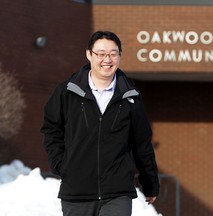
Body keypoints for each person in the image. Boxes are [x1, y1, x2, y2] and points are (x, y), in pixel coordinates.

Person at [40, 31, 160, 216]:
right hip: (76, 192)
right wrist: (61, 165)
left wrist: (150, 182)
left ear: (120, 56)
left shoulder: (131, 96)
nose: (107, 59)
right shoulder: (67, 92)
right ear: (89, 54)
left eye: (113, 54)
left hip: (117, 192)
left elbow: (142, 142)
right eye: (101, 54)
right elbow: (51, 130)